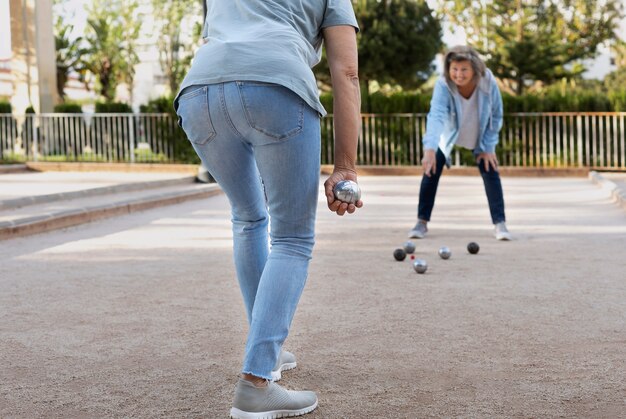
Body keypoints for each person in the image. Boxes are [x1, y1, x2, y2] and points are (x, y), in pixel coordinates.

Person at [174, 1, 362, 418]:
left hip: (199, 90)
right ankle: (256, 384)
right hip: (276, 85)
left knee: (247, 219)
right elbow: (346, 72)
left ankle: (269, 353)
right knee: (292, 237)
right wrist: (345, 166)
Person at [408, 45, 512, 241]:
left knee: (490, 169)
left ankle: (500, 224)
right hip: (448, 135)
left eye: (464, 69)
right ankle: (421, 222)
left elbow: (496, 115)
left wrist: (489, 146)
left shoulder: (488, 82)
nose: (458, 74)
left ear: (474, 69)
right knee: (431, 169)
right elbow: (436, 115)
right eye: (454, 69)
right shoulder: (443, 84)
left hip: (479, 133)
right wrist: (429, 147)